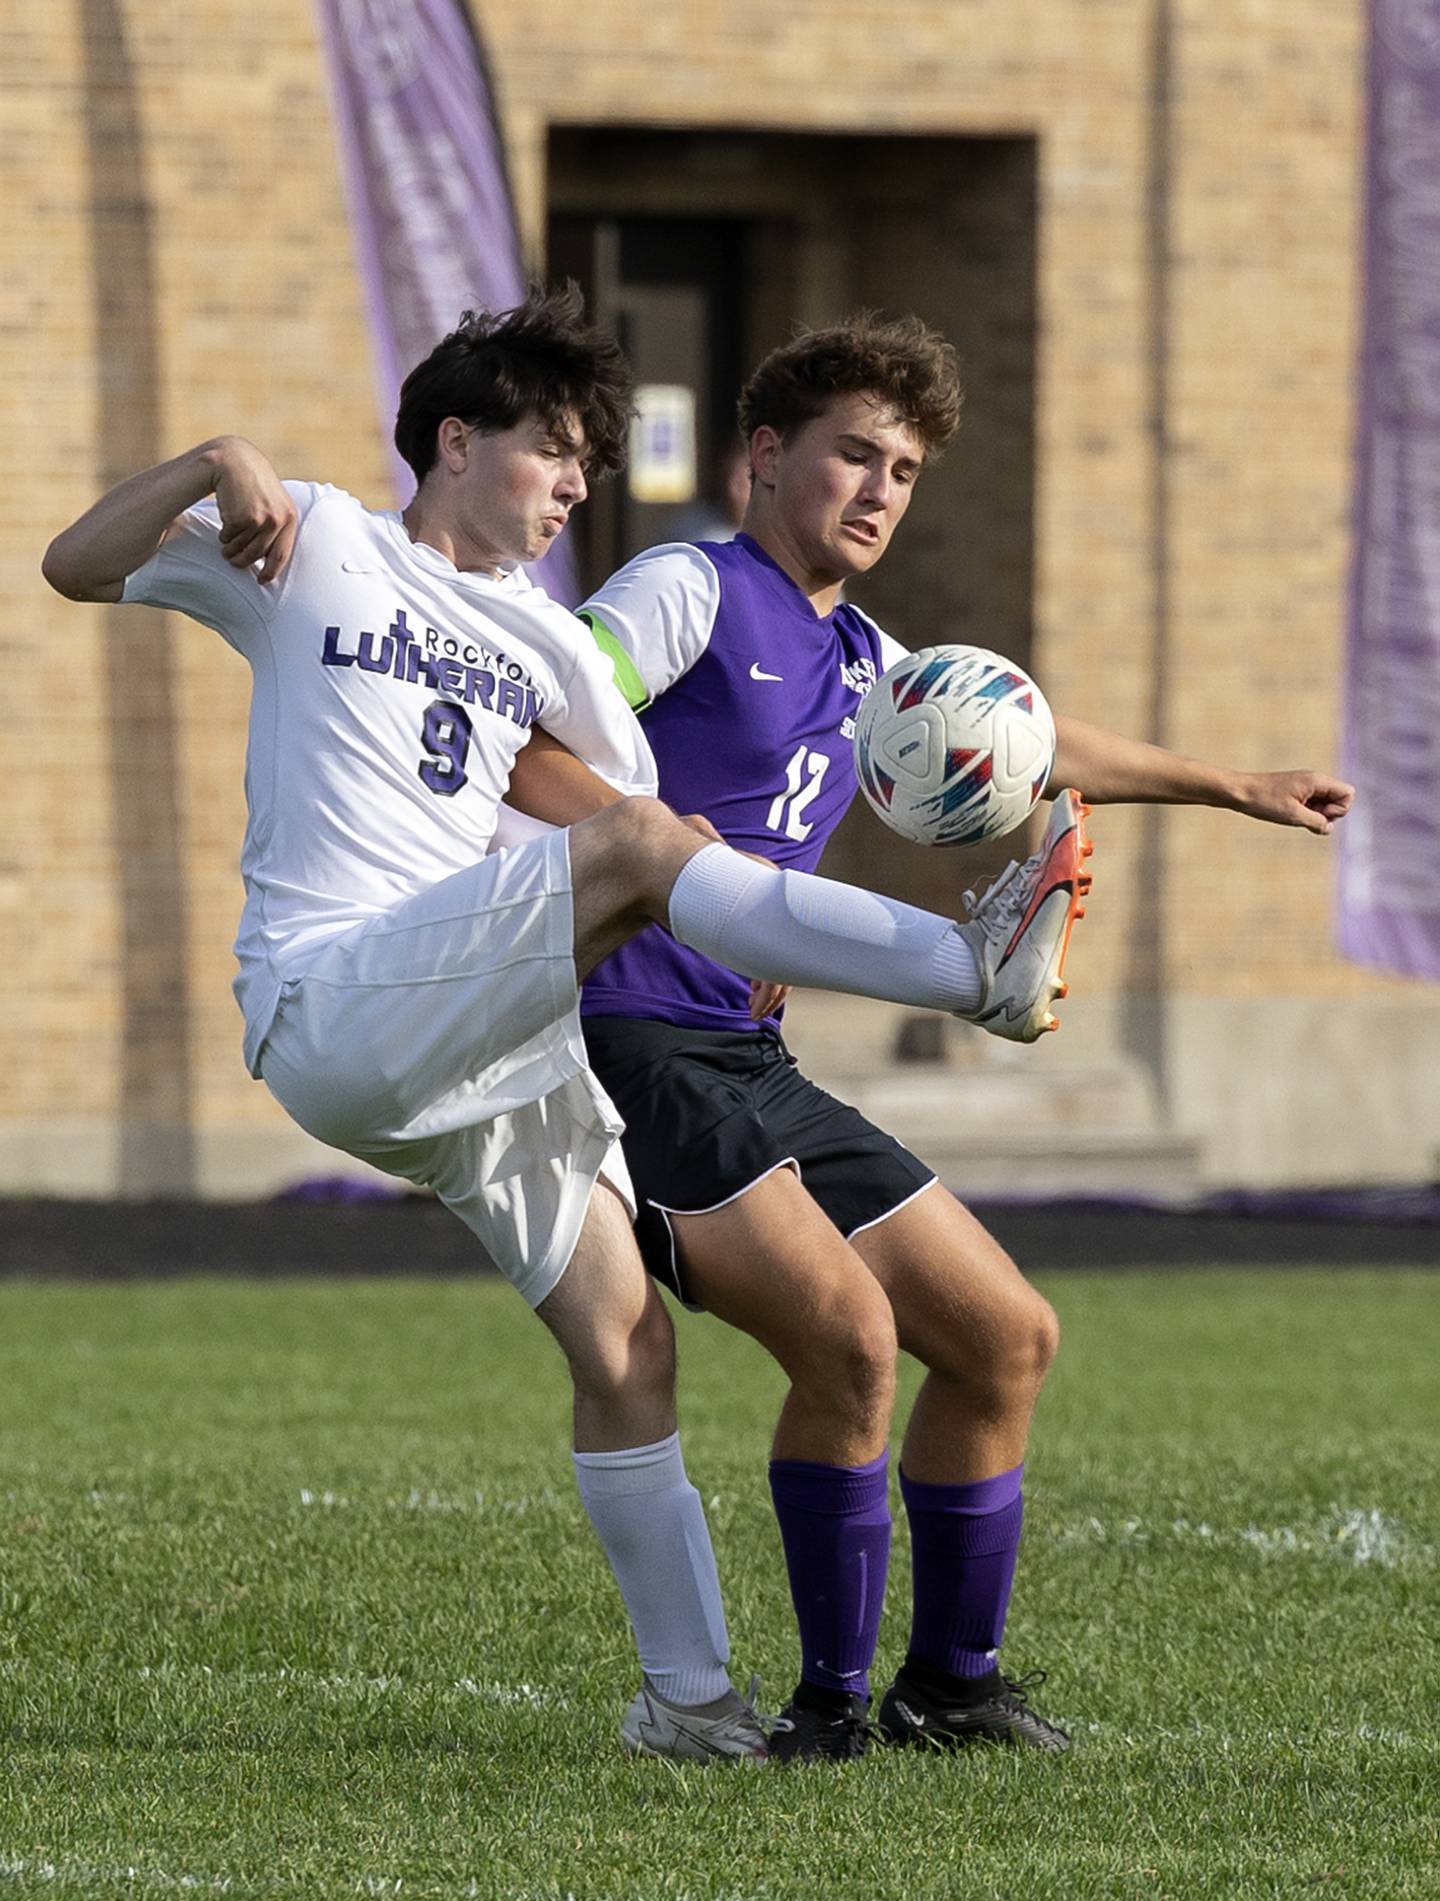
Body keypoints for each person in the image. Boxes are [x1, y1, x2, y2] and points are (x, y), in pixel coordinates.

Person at [42, 289, 1093, 1766]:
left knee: (626, 1348)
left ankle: (688, 1704)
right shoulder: (319, 542)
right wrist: (215, 457)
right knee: (654, 854)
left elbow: (644, 838)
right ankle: (970, 968)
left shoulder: (540, 643)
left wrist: (732, 914)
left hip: (481, 1032)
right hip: (334, 988)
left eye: (593, 461)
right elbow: (70, 563)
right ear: (457, 441)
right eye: (557, 450)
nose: (579, 484)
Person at [504, 312, 1355, 1762]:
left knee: (1004, 1336)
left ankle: (948, 1685)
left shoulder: (860, 650)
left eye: (902, 468)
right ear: (766, 459)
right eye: (853, 453)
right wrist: (653, 842)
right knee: (848, 1342)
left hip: (752, 1061)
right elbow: (530, 734)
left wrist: (1230, 783)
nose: (882, 489)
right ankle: (827, 1712)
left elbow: (1030, 742)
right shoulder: (686, 587)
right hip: (629, 1043)